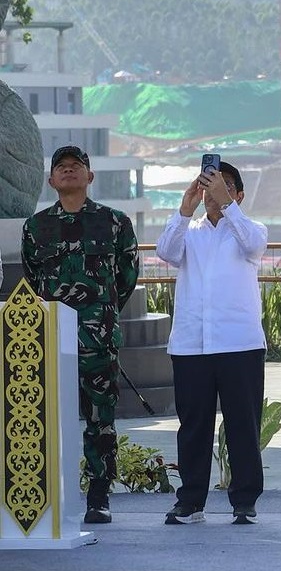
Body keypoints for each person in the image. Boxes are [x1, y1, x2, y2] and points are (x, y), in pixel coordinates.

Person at [21, 145, 139, 525]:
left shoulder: (115, 222)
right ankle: (51, 492)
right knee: (47, 416)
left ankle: (99, 494)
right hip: (50, 339)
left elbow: (126, 277)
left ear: (90, 177)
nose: (69, 171)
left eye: (77, 166)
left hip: (97, 340)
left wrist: (99, 316)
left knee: (100, 418)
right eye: (62, 167)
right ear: (51, 180)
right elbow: (33, 280)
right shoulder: (35, 227)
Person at [155, 160, 268, 525]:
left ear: (238, 194)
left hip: (239, 343)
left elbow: (252, 243)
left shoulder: (250, 229)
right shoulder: (190, 231)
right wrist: (185, 207)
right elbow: (166, 252)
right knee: (193, 426)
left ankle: (245, 500)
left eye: (222, 186)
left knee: (242, 426)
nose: (213, 193)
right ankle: (190, 502)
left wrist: (228, 205)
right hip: (192, 344)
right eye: (208, 185)